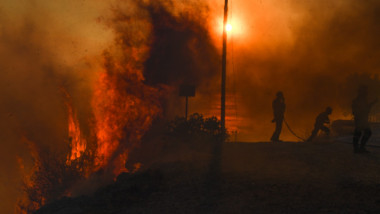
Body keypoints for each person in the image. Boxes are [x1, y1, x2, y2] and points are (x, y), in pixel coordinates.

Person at [352, 86, 378, 153]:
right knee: (362, 133)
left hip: (362, 119)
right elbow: (359, 110)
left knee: (361, 133)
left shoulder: (362, 99)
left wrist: (373, 103)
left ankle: (359, 148)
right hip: (360, 119)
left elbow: (366, 108)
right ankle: (359, 148)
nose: (366, 92)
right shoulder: (359, 100)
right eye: (365, 91)